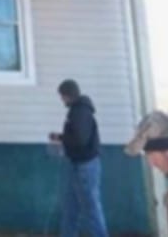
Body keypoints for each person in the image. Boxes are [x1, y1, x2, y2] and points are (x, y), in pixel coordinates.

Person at [49, 79, 109, 237]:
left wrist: (63, 139)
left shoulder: (80, 112)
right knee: (72, 206)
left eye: (62, 96)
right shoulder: (78, 111)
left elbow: (80, 140)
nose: (62, 100)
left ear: (68, 95)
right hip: (78, 164)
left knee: (90, 207)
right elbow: (77, 135)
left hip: (85, 165)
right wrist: (60, 137)